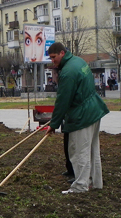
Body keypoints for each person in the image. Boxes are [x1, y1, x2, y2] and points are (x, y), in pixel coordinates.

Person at [46, 42, 109, 194]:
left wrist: (53, 124)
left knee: (79, 151)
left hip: (82, 115)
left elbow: (63, 100)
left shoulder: (68, 72)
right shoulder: (78, 61)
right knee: (92, 149)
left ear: (62, 53)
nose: (52, 61)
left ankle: (81, 186)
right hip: (93, 110)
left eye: (54, 57)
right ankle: (95, 182)